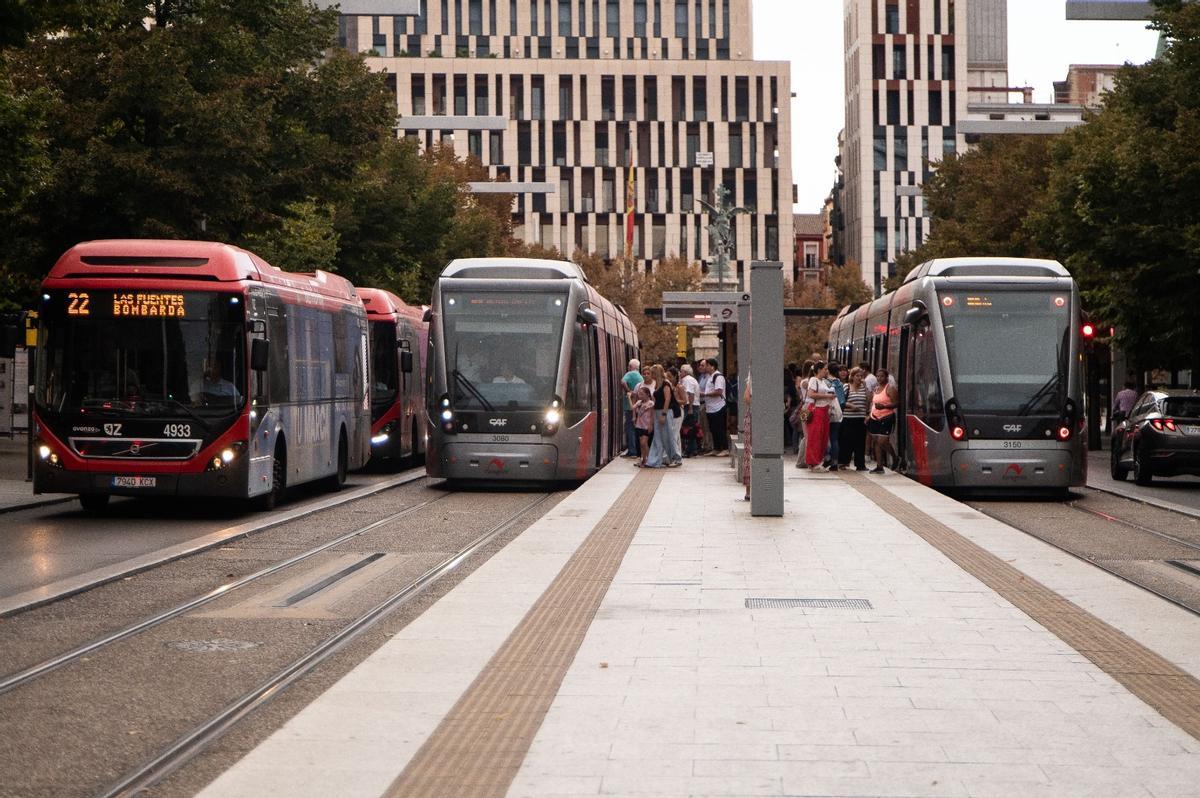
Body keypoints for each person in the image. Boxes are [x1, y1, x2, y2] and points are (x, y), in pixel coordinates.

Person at [646, 364, 682, 468]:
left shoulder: (666, 384)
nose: (651, 375)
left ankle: (676, 458)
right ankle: (654, 460)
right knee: (657, 436)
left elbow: (667, 399)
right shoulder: (657, 384)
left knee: (669, 436)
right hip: (657, 411)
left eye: (652, 373)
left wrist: (663, 414)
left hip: (665, 412)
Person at [803, 362, 836, 469]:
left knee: (823, 437)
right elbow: (811, 394)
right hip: (816, 410)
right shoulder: (814, 380)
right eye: (825, 369)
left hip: (824, 411)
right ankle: (813, 462)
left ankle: (818, 460)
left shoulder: (824, 381)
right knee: (815, 437)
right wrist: (827, 396)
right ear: (818, 370)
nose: (827, 371)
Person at [867, 367, 899, 474]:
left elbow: (896, 403)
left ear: (886, 377)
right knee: (876, 441)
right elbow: (873, 403)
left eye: (882, 376)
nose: (879, 378)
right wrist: (869, 415)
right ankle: (879, 466)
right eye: (878, 376)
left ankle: (894, 457)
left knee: (883, 441)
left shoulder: (890, 389)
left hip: (887, 417)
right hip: (874, 417)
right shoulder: (875, 389)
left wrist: (884, 406)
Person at [839, 367, 869, 471]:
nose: (859, 378)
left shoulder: (863, 387)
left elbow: (868, 400)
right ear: (852, 376)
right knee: (847, 441)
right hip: (848, 418)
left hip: (861, 418)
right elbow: (841, 401)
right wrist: (851, 406)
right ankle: (843, 462)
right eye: (857, 376)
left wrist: (865, 387)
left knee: (860, 442)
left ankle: (860, 464)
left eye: (861, 376)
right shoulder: (846, 386)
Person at [702, 358, 729, 456]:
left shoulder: (718, 377)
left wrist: (706, 394)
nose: (706, 367)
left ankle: (725, 448)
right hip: (711, 408)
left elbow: (719, 391)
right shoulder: (710, 377)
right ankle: (717, 448)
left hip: (718, 407)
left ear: (712, 366)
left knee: (720, 428)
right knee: (713, 429)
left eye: (707, 365)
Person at [825, 364, 846, 471]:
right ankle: (835, 462)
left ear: (828, 371)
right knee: (834, 438)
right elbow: (843, 401)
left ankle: (827, 457)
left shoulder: (826, 382)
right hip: (838, 413)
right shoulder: (839, 383)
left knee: (825, 437)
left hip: (827, 412)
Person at [632, 367, 655, 467]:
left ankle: (647, 459)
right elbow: (633, 406)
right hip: (639, 425)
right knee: (641, 443)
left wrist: (651, 424)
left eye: (648, 373)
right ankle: (643, 458)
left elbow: (652, 414)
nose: (646, 375)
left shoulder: (650, 403)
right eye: (644, 373)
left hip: (646, 425)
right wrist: (634, 416)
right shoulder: (639, 400)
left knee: (644, 443)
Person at [621, 358, 643, 458]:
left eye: (628, 366)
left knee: (629, 428)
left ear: (631, 367)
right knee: (635, 428)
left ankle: (632, 450)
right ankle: (636, 450)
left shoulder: (629, 374)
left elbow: (623, 382)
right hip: (638, 406)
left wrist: (628, 391)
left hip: (630, 406)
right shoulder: (640, 376)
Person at [679, 364, 701, 457]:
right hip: (691, 405)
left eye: (681, 371)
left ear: (685, 372)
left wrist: (690, 408)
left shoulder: (687, 380)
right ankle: (693, 449)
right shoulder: (688, 379)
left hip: (691, 406)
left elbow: (690, 394)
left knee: (689, 428)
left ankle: (690, 450)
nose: (679, 373)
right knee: (690, 428)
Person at [696, 360, 713, 454]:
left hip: (706, 403)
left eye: (703, 365)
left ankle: (708, 445)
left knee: (706, 426)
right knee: (702, 426)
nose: (700, 367)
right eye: (700, 365)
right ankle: (704, 444)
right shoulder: (701, 377)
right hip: (700, 403)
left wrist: (700, 393)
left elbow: (708, 391)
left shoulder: (710, 378)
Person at [741, 376, 752, 500]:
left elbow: (747, 398)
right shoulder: (751, 378)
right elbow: (747, 398)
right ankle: (748, 489)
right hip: (755, 417)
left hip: (753, 416)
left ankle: (749, 490)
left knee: (748, 452)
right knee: (748, 452)